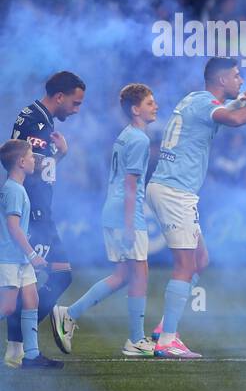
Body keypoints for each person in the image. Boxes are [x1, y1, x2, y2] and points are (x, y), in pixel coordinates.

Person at [147, 58, 246, 358]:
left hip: (175, 189)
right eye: (237, 76)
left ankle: (163, 328)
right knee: (185, 265)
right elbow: (233, 121)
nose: (241, 79)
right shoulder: (204, 104)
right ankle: (167, 341)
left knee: (200, 260)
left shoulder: (194, 99)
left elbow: (220, 114)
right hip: (175, 191)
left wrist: (238, 102)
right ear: (222, 80)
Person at [51, 85, 158, 357]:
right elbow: (131, 185)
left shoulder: (126, 135)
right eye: (149, 103)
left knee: (124, 275)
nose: (155, 106)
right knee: (139, 273)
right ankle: (135, 339)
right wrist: (131, 225)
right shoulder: (140, 139)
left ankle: (70, 313)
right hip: (125, 213)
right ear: (135, 110)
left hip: (113, 210)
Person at [6, 71, 85, 368]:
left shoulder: (37, 117)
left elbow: (35, 165)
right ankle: (21, 345)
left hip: (39, 210)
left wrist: (59, 155)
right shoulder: (34, 121)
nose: (76, 110)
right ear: (60, 96)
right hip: (34, 211)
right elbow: (22, 163)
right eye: (75, 103)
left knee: (28, 282)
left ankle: (20, 353)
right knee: (57, 275)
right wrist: (55, 155)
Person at [0, 139, 60, 368]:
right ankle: (30, 355)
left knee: (31, 299)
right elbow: (13, 227)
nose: (35, 159)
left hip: (19, 259)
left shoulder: (16, 188)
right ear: (21, 161)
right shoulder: (14, 190)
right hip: (10, 258)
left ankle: (32, 356)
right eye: (32, 156)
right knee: (6, 307)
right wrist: (33, 254)